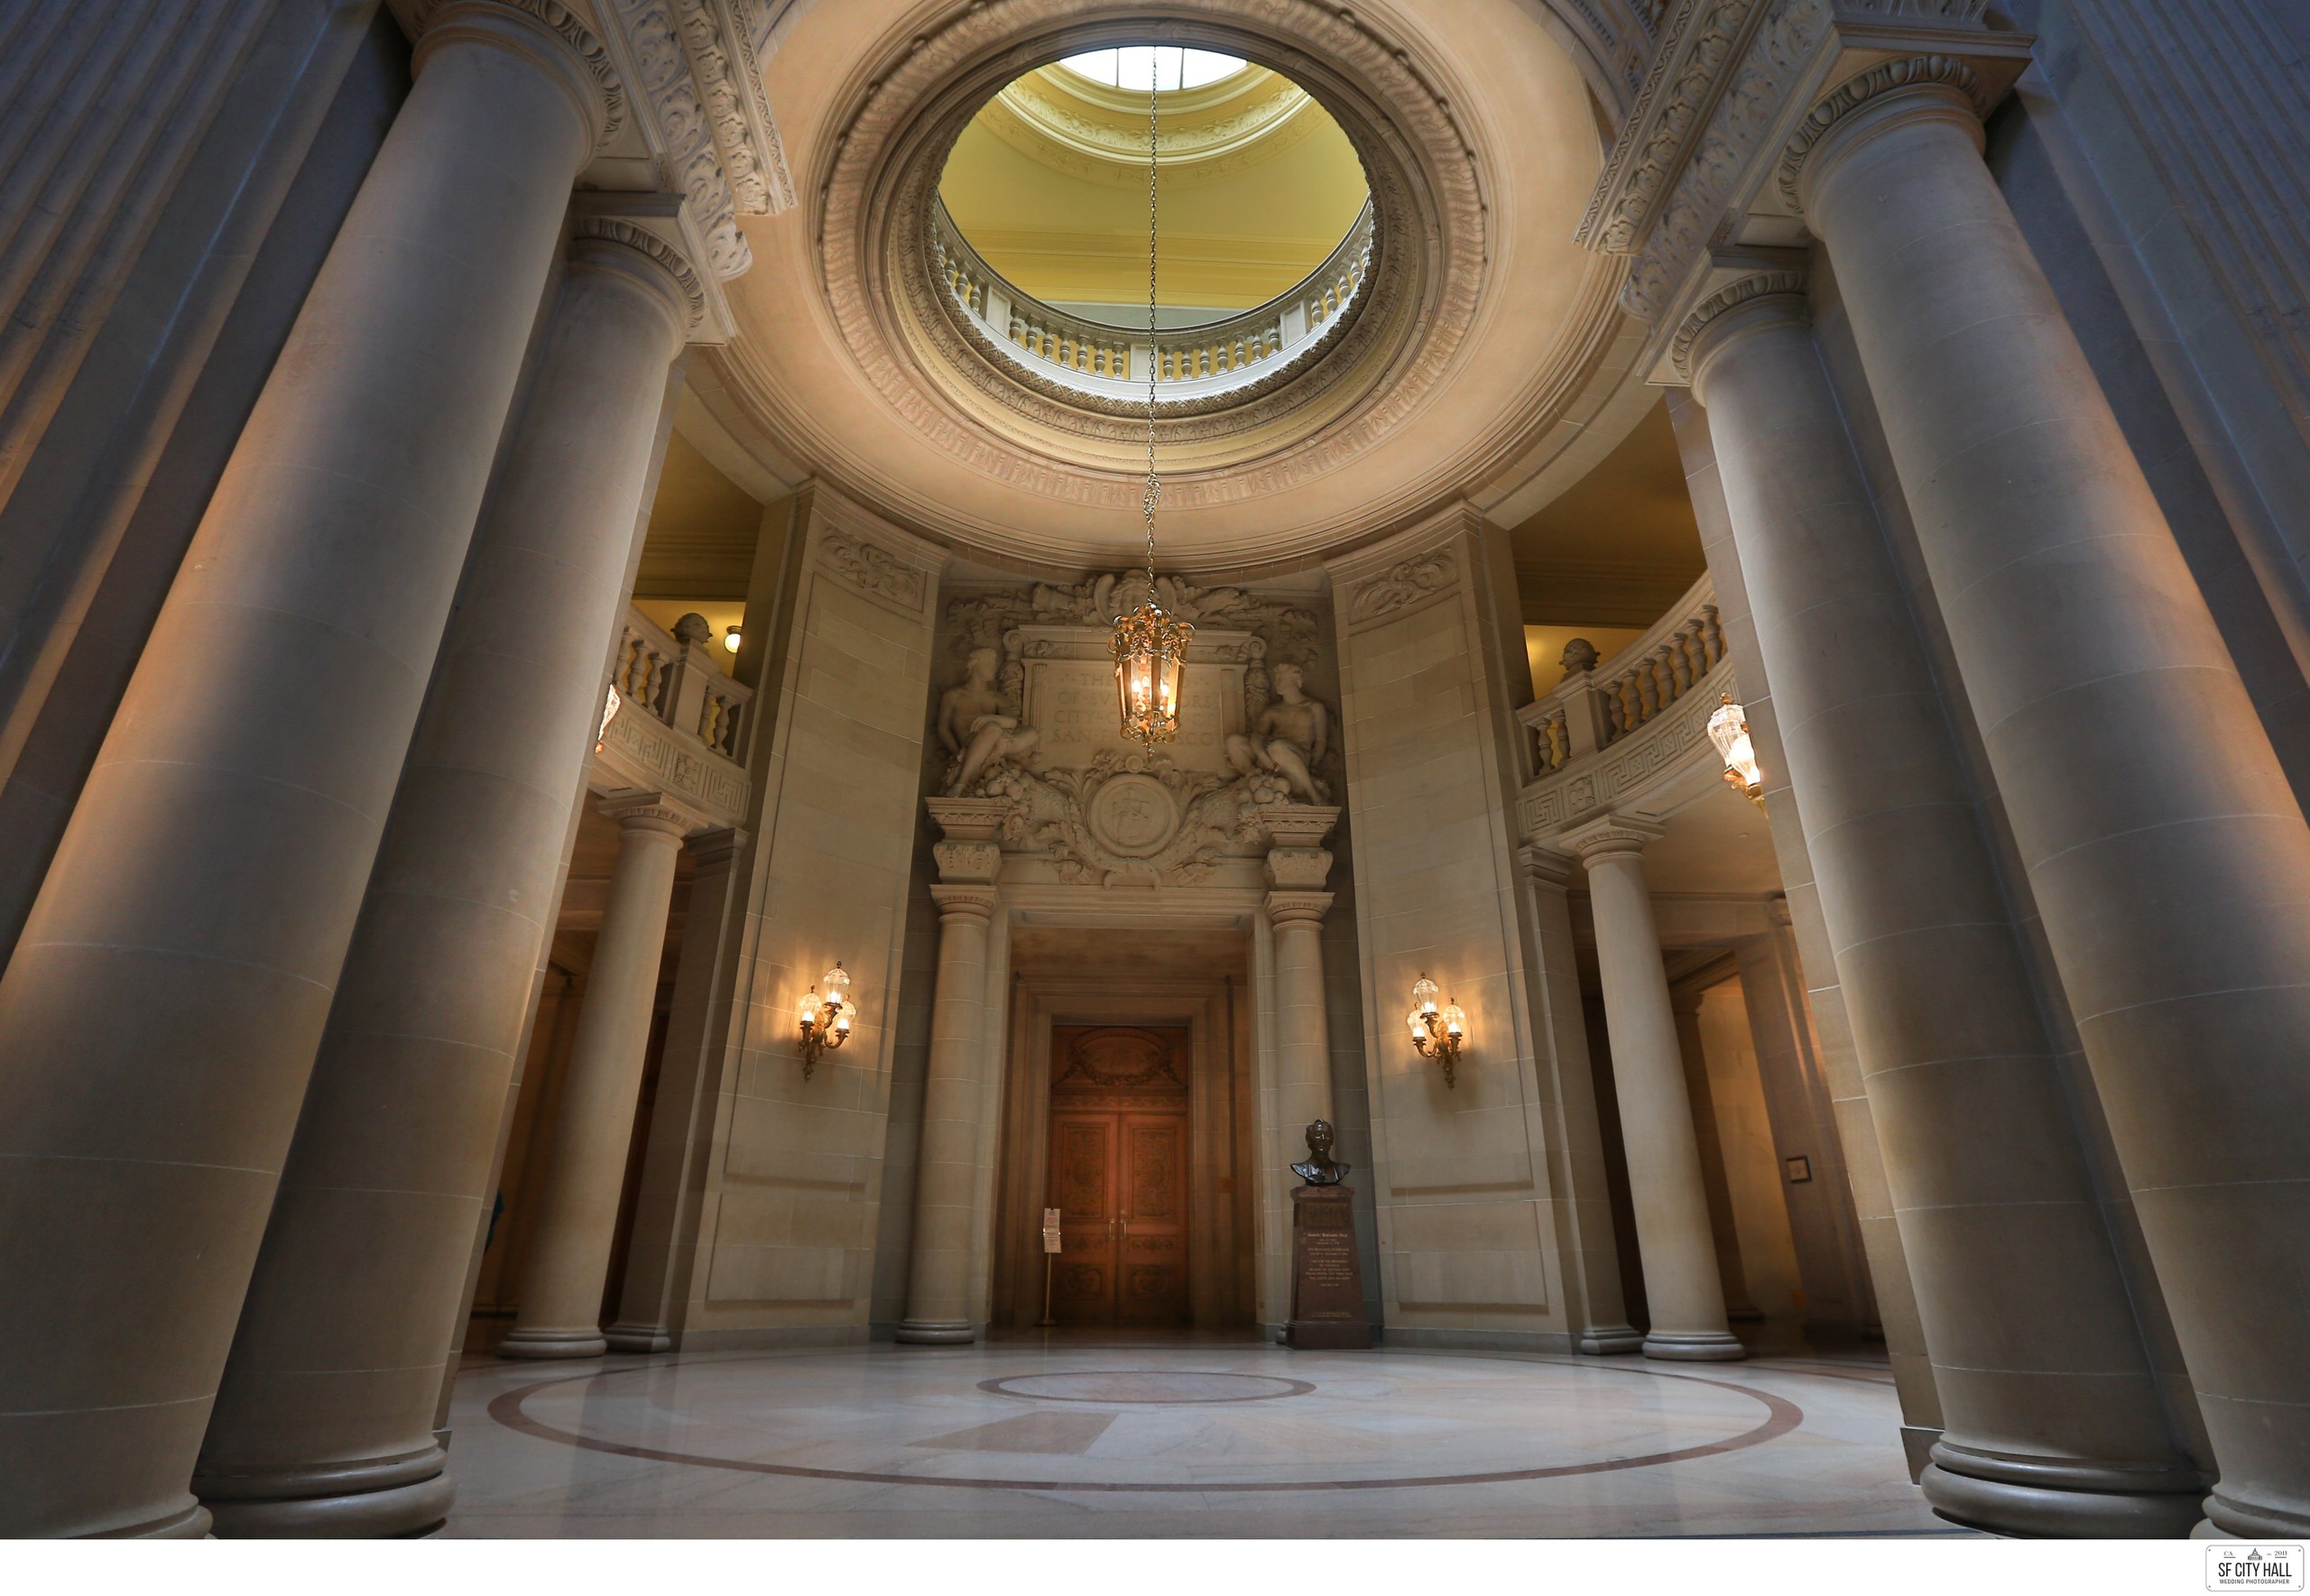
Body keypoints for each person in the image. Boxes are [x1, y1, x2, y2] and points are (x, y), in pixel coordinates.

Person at [938, 646, 1039, 797]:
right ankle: (961, 782)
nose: (994, 668)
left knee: (1031, 733)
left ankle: (999, 748)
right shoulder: (953, 696)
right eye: (990, 664)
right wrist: (957, 751)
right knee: (993, 729)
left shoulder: (996, 697)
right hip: (970, 740)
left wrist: (990, 717)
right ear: (975, 664)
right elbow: (943, 729)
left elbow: (1013, 723)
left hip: (999, 739)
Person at [1226, 660, 1328, 803]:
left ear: (1295, 680)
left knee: (1277, 747)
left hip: (1298, 755)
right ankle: (1254, 779)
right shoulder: (1274, 711)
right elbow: (1257, 736)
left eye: (1280, 679)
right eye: (1276, 679)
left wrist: (1313, 767)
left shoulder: (1314, 707)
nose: (1276, 683)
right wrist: (1264, 758)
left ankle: (1313, 793)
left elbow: (1321, 742)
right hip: (1270, 758)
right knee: (1234, 741)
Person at [1290, 1118, 1349, 1185]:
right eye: (1318, 1135)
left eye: (1327, 1135)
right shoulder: (1300, 1168)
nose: (1323, 1138)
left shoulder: (1341, 1169)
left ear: (1332, 1140)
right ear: (1309, 1140)